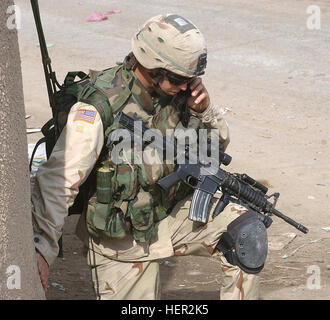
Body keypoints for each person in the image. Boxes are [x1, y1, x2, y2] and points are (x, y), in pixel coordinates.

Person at [31, 14, 264, 300]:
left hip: (170, 215)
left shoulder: (180, 94)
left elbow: (214, 152)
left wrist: (205, 111)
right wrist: (42, 250)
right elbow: (58, 181)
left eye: (192, 79)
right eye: (180, 79)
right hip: (122, 243)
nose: (186, 87)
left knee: (247, 234)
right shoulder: (99, 106)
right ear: (151, 66)